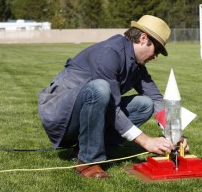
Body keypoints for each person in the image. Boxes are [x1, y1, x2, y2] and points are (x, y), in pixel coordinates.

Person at [38, 15, 189, 178]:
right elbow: (112, 107)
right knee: (100, 89)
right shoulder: (110, 52)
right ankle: (88, 161)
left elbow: (156, 99)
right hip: (61, 117)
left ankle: (85, 149)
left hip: (82, 111)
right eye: (157, 49)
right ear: (143, 38)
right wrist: (146, 141)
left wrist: (174, 133)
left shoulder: (137, 65)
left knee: (145, 104)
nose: (156, 57)